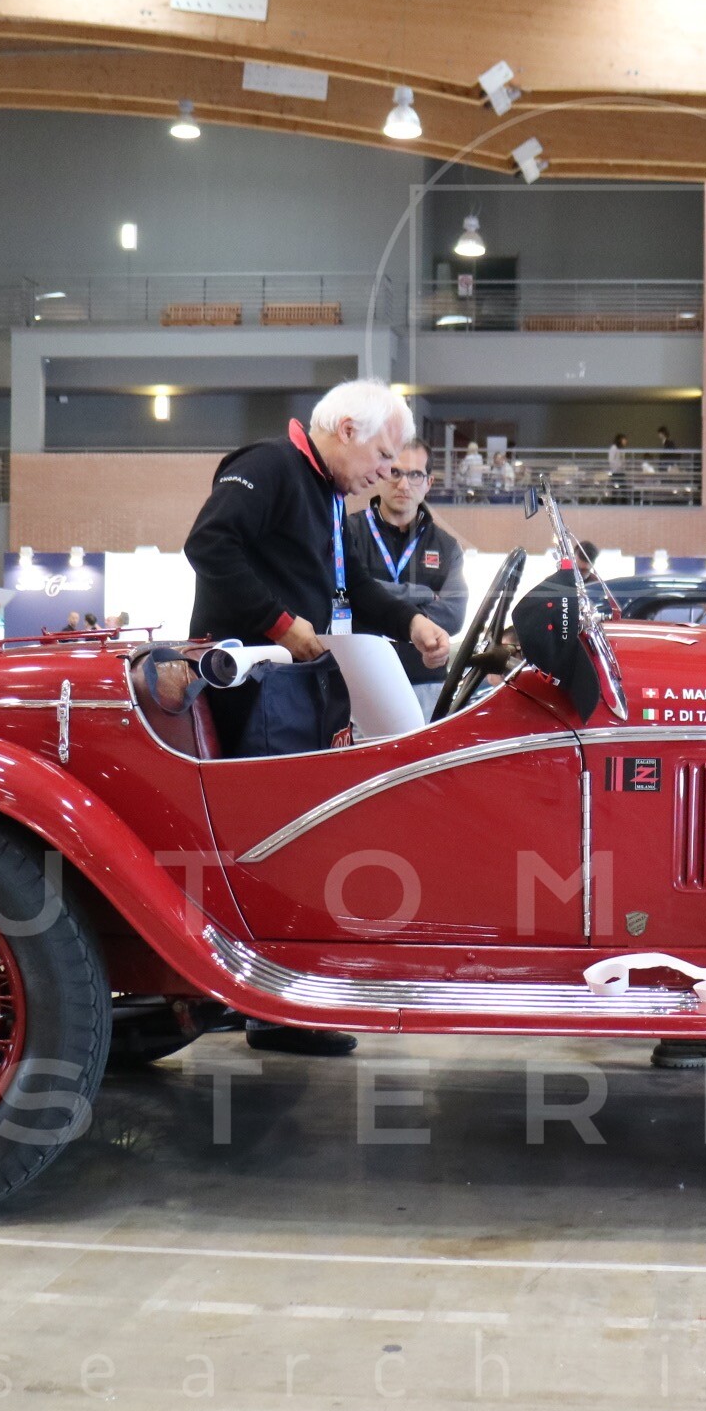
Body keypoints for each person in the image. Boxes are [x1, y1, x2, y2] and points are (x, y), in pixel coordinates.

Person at [184, 379, 451, 1058]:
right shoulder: (271, 466)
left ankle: (261, 996)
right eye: (383, 457)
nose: (386, 474)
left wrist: (410, 621)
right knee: (269, 843)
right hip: (254, 690)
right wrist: (279, 622)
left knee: (290, 842)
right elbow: (210, 545)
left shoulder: (328, 495)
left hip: (294, 687)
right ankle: (268, 1005)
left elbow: (350, 585)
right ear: (348, 430)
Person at [347, 438, 469, 717]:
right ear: (380, 473)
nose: (403, 484)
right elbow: (348, 595)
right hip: (360, 681)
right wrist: (422, 594)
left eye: (415, 475)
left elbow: (453, 615)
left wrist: (375, 608)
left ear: (429, 482)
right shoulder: (348, 532)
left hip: (426, 683)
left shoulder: (447, 546)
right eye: (395, 472)